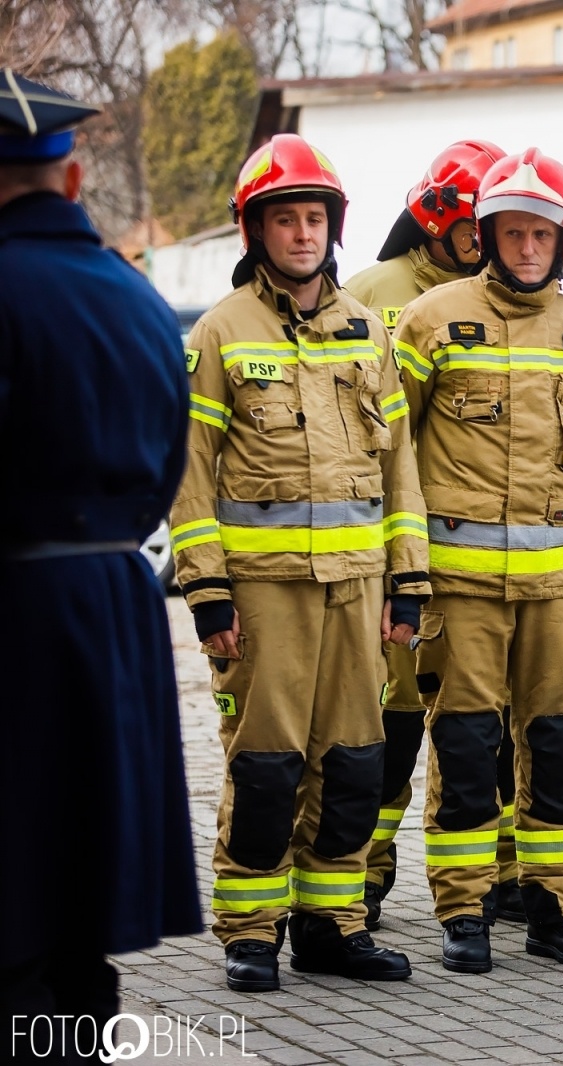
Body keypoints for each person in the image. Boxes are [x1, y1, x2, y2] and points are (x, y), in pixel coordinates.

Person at [173, 133, 426, 991]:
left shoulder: (365, 329)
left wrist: (409, 580)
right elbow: (191, 476)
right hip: (264, 596)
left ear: (334, 227)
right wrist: (208, 594)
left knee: (355, 760)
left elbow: (401, 471)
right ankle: (251, 930)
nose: (303, 233)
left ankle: (332, 926)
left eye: (315, 217)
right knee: (267, 764)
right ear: (256, 231)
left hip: (357, 592)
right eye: (286, 219)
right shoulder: (219, 333)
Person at [394, 147, 563, 973]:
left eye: (541, 233)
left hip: (556, 592)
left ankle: (559, 910)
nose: (527, 247)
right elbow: (391, 449)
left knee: (560, 744)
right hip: (458, 589)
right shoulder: (430, 319)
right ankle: (463, 912)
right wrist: (401, 566)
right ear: (486, 234)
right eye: (512, 232)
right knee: (468, 750)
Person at [0, 70, 202, 1049]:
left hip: (15, 607)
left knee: (16, 870)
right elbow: (170, 464)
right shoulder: (139, 300)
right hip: (118, 601)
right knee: (87, 871)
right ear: (72, 178)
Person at [343, 139, 511, 930]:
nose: (495, 244)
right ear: (440, 223)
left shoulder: (505, 300)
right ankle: (360, 881)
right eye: (480, 230)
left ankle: (494, 880)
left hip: (480, 561)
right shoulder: (377, 295)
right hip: (395, 558)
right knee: (391, 727)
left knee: (483, 732)